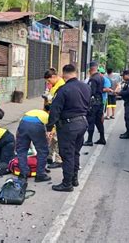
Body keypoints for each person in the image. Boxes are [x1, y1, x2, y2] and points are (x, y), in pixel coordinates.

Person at [46, 64, 90, 192]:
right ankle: (74, 179)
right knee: (75, 152)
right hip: (82, 123)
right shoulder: (86, 87)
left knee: (67, 155)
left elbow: (55, 110)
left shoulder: (64, 89)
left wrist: (49, 128)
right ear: (75, 73)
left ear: (64, 74)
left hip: (69, 126)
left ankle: (67, 184)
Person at [15, 109, 51, 182]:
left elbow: (18, 131)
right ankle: (40, 175)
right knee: (42, 151)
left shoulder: (31, 112)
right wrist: (47, 143)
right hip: (36, 126)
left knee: (22, 150)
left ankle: (23, 174)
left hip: (23, 123)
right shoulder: (48, 117)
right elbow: (49, 134)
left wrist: (18, 139)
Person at [43, 68, 65, 169]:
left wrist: (48, 101)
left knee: (55, 138)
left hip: (56, 116)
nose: (48, 82)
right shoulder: (55, 85)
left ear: (53, 77)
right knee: (51, 138)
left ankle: (58, 160)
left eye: (49, 80)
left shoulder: (60, 85)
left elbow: (56, 102)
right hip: (51, 114)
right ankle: (50, 156)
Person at [84, 61, 106, 146]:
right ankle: (102, 138)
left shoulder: (93, 79)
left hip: (93, 103)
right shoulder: (101, 77)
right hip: (100, 101)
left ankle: (89, 140)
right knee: (99, 121)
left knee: (91, 121)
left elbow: (91, 92)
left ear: (90, 69)